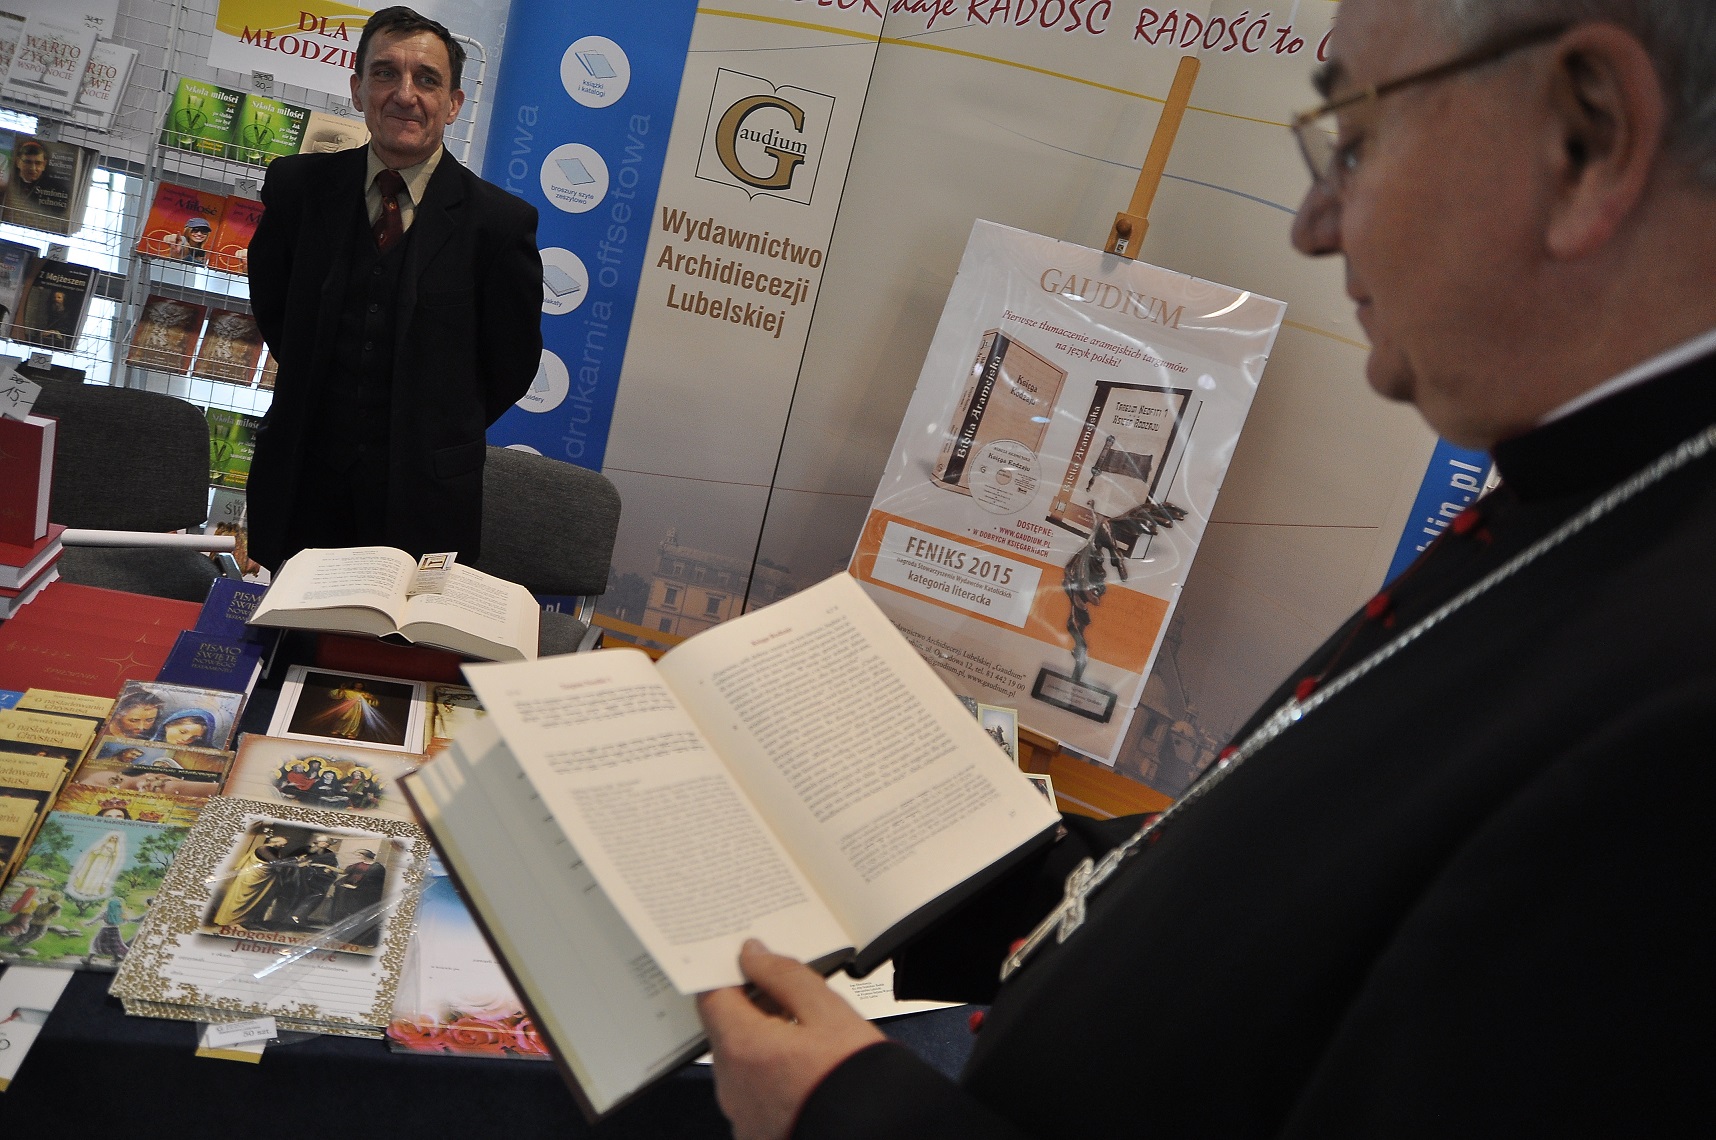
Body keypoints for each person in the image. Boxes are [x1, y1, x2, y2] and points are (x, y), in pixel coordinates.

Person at [696, 2, 1716, 1137]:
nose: (1315, 225)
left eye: (1357, 138)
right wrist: (963, 867)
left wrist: (846, 1116)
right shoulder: (1588, 499)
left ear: (1585, 140)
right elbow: (1279, 924)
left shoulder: (1680, 717)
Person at [245, 5, 543, 572]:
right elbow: (276, 312)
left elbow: (511, 364)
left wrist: (434, 428)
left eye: (427, 79)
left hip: (426, 500)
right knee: (286, 625)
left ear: (453, 103)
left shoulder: (500, 225)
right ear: (358, 89)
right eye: (385, 73)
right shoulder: (296, 189)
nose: (405, 95)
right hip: (301, 486)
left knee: (402, 634)